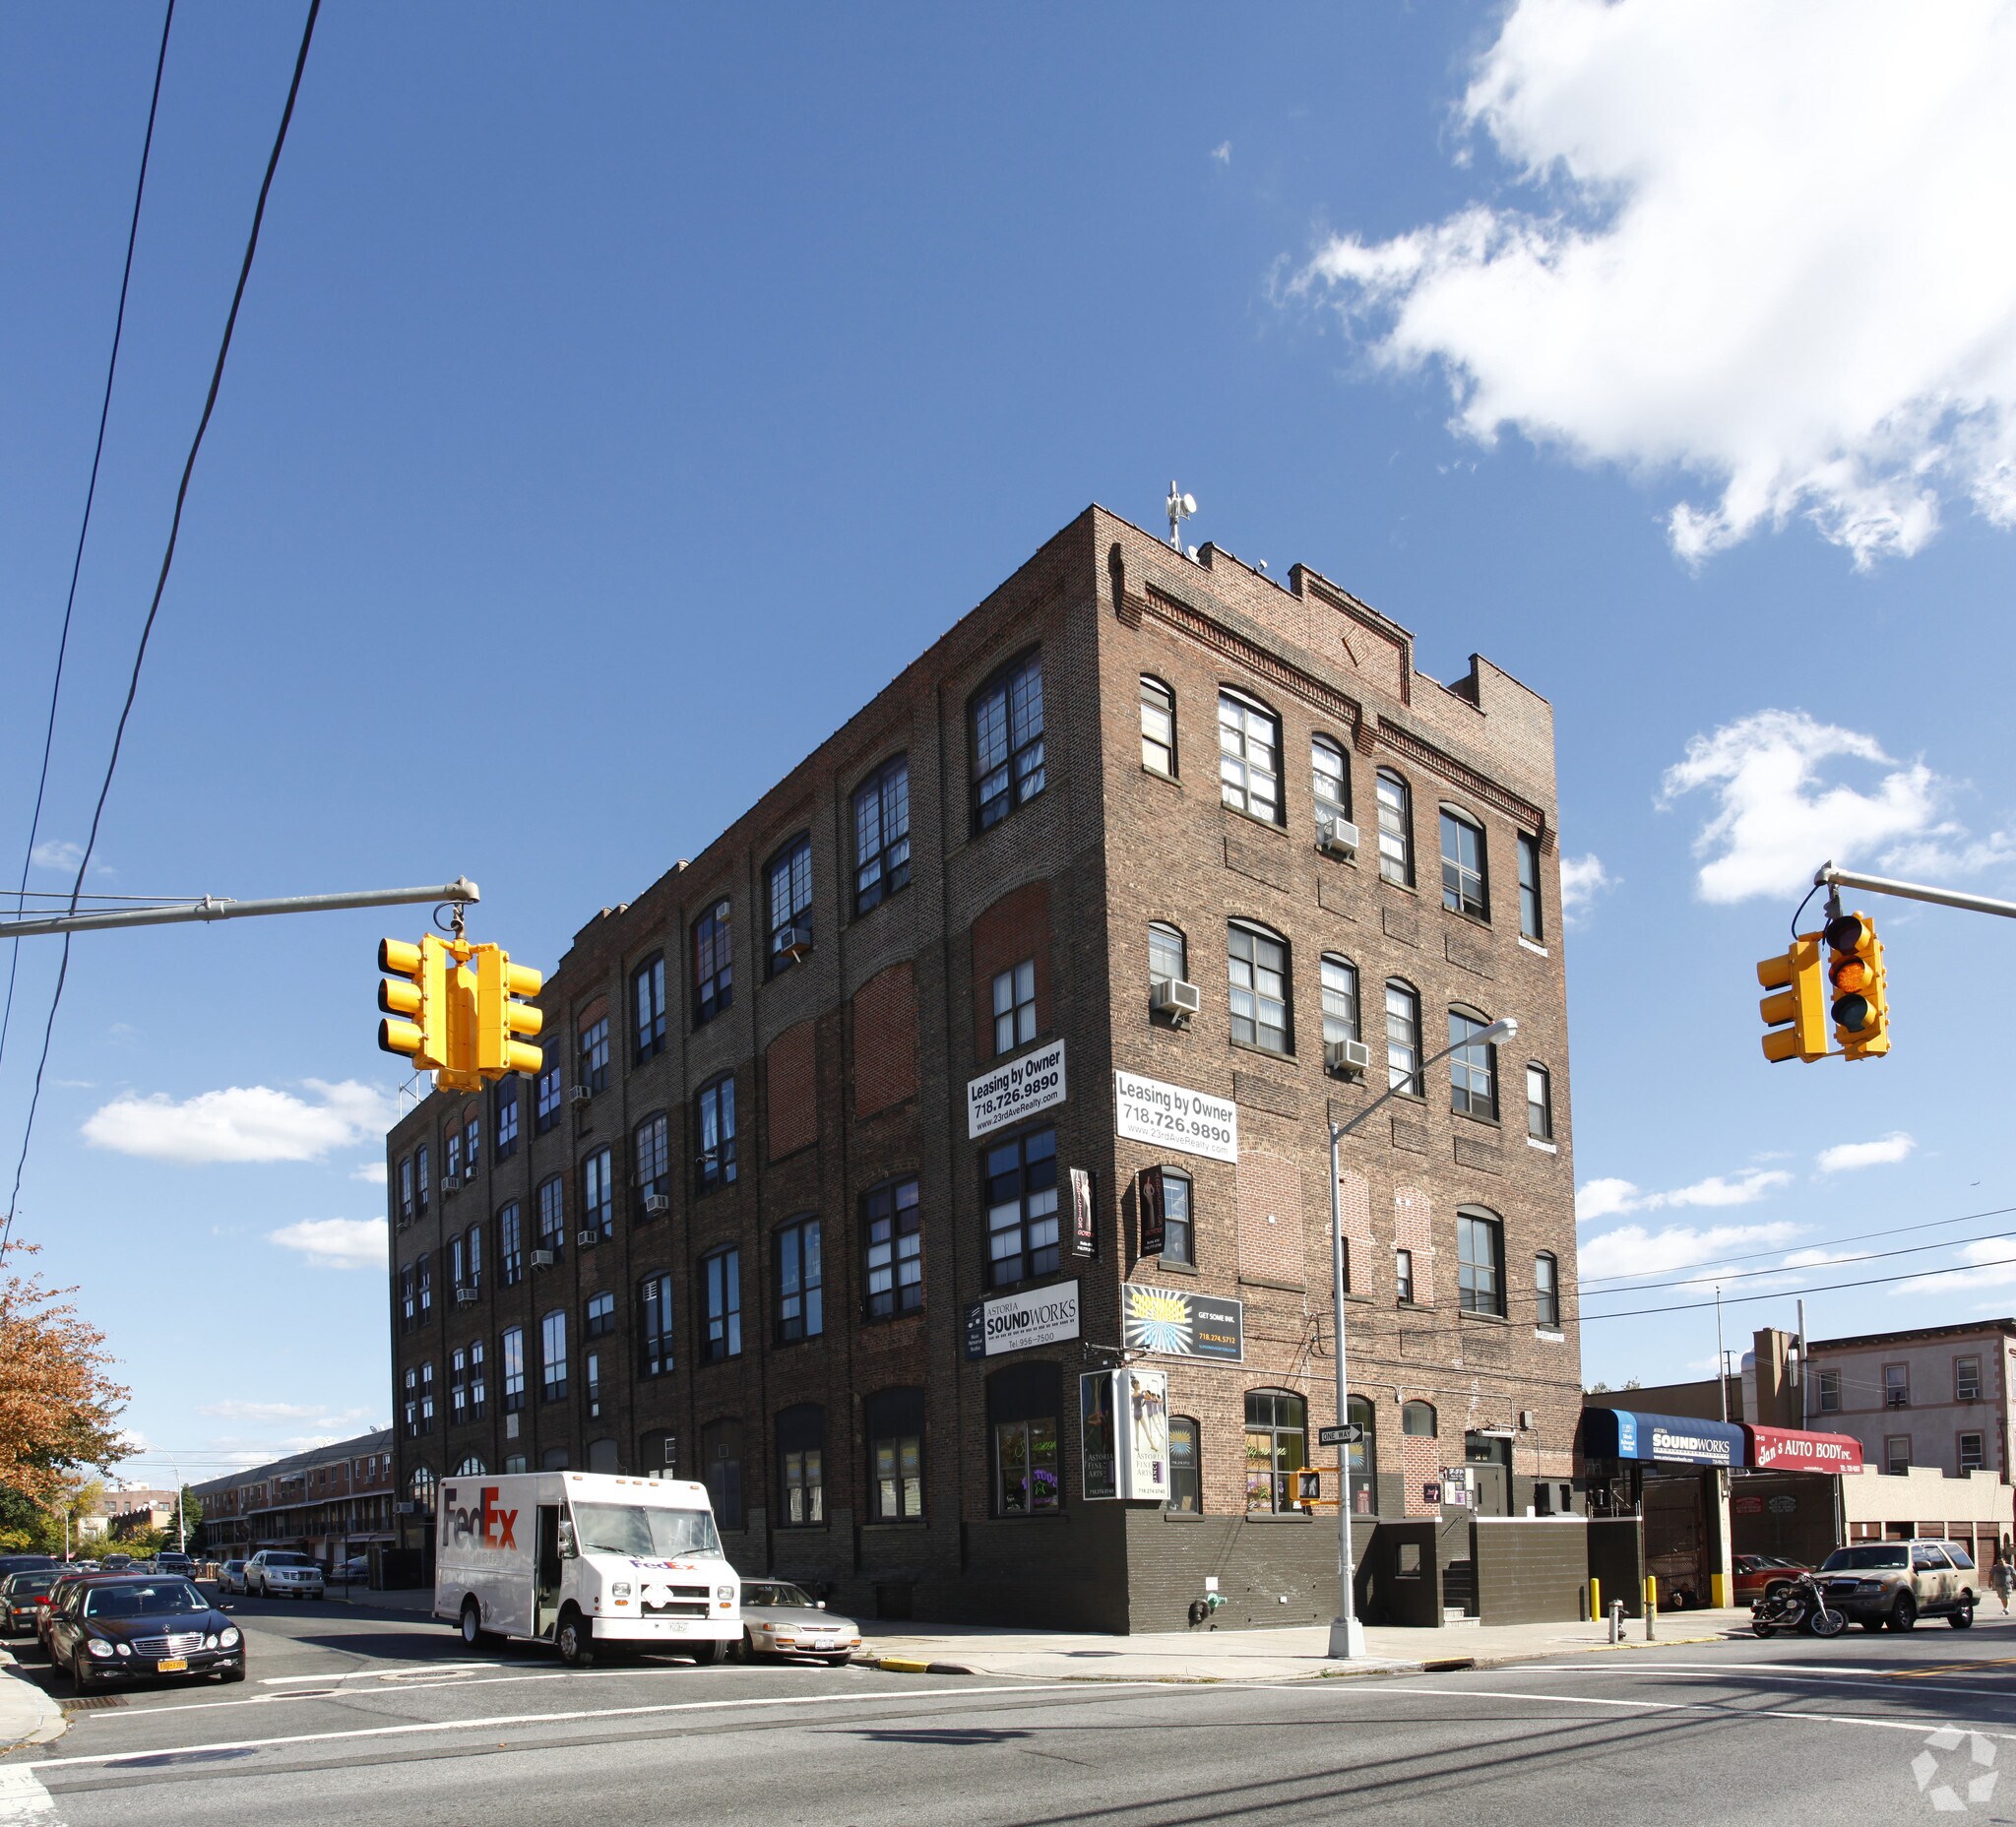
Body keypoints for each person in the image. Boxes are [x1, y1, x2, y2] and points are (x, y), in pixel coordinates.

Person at [1991, 1551, 2013, 1615]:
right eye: (1998, 1562)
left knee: (2006, 1596)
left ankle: (2007, 1608)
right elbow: (1991, 1575)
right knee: (2002, 1597)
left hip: (2007, 1584)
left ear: (2004, 1561)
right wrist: (1989, 1582)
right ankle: (2005, 1608)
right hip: (1998, 1585)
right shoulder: (1995, 1567)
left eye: (2001, 1561)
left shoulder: (2009, 1567)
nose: (2000, 1563)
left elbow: (2014, 1574)